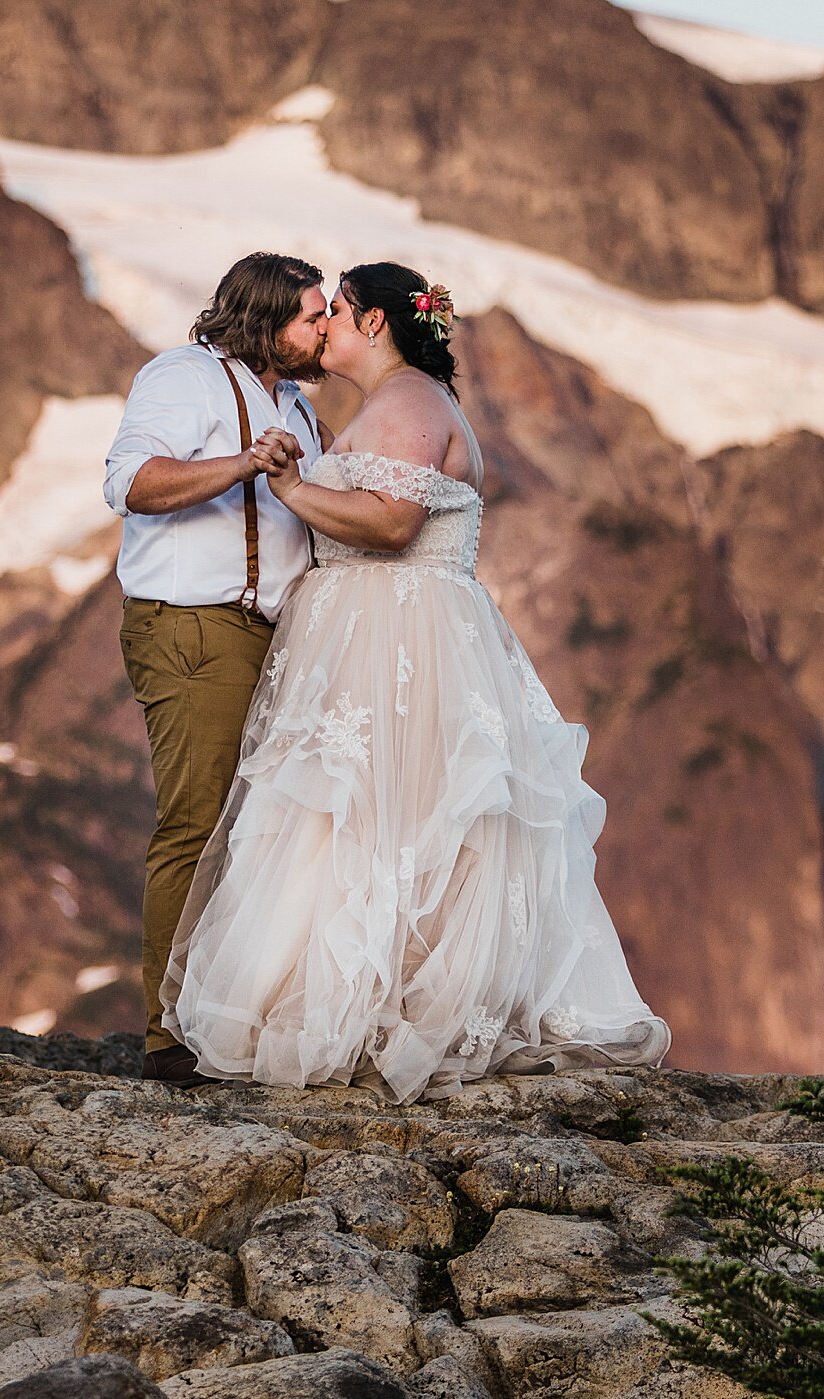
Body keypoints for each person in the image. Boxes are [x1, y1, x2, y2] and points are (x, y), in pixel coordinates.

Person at [163, 262, 669, 1099]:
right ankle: (368, 1000)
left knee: (379, 817)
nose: (321, 328)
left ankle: (377, 1011)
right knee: (373, 817)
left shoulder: (405, 404)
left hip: (397, 635)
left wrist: (289, 487)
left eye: (336, 313)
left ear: (373, 324)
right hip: (388, 630)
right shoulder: (399, 403)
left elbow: (393, 526)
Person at [105, 253, 330, 1081]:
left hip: (270, 635)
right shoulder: (183, 378)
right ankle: (170, 1038)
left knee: (262, 834)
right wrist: (241, 465)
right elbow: (130, 481)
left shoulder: (297, 406)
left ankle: (224, 1016)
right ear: (268, 323)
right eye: (312, 317)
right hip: (194, 628)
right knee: (198, 825)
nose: (325, 329)